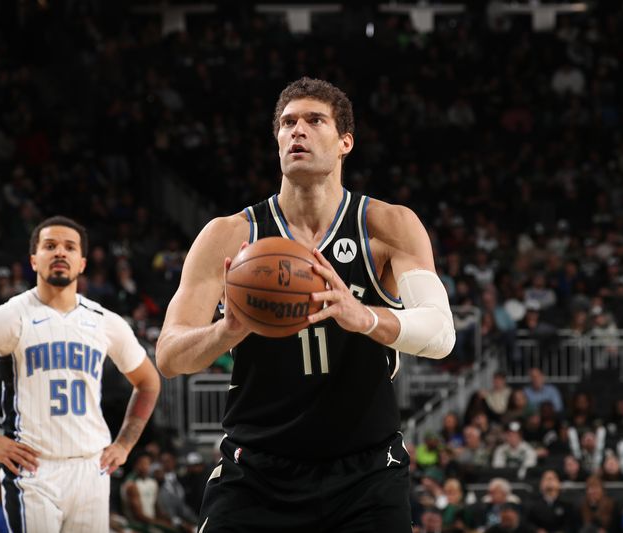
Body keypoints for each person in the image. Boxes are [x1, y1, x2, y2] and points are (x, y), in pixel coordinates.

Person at [156, 77, 456, 531]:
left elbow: (441, 334)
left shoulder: (387, 225)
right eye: (287, 123)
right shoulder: (231, 235)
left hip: (366, 475)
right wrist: (225, 332)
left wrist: (366, 317)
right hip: (256, 471)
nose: (298, 131)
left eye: (315, 120)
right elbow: (169, 356)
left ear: (345, 142)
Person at [0, 215, 161, 532]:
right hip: (34, 469)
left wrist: (125, 444)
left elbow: (148, 382)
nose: (60, 253)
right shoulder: (8, 316)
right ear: (34, 260)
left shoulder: (106, 322)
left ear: (82, 263)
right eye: (50, 246)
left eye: (69, 247)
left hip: (92, 468)